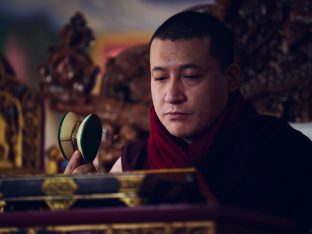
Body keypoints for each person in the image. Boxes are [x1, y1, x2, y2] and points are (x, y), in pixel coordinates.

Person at [64, 11, 312, 231]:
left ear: (232, 78)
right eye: (160, 78)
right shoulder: (132, 164)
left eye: (190, 76)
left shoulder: (286, 153)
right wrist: (90, 205)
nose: (172, 95)